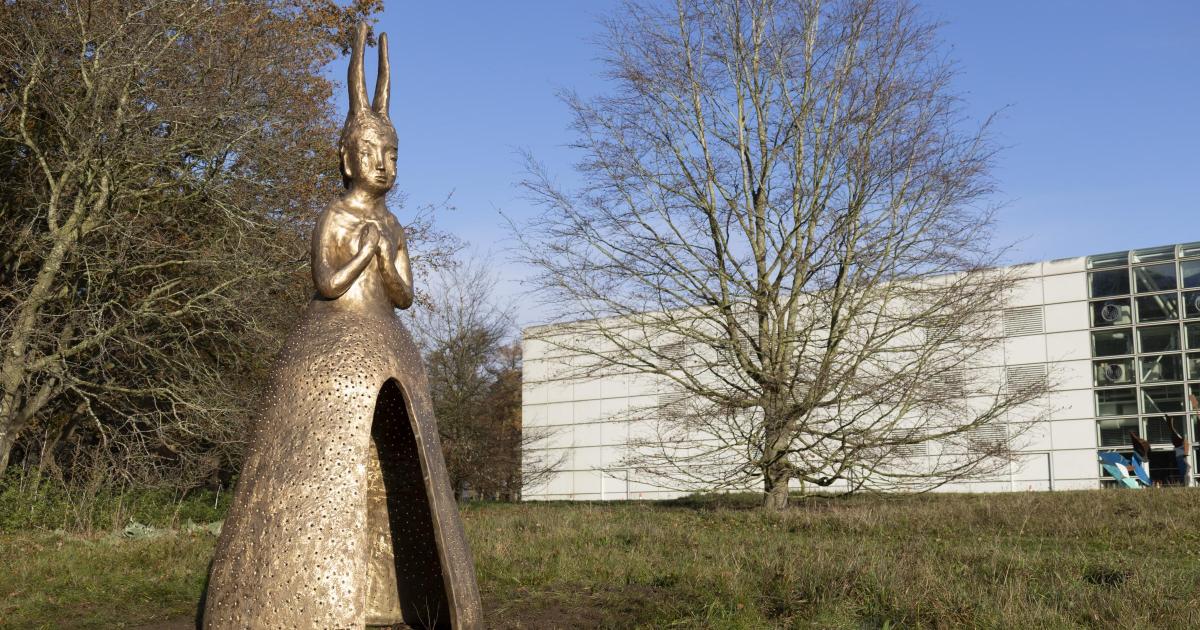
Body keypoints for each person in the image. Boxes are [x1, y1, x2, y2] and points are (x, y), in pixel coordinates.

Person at [203, 24, 483, 629]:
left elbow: (405, 295)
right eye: (373, 154)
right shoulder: (334, 216)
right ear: (347, 158)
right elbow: (327, 283)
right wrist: (364, 252)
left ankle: (431, 603)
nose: (384, 166)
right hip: (331, 347)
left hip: (387, 342)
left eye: (393, 156)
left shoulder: (395, 226)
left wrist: (385, 254)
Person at [1169, 418, 1191, 487]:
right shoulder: (1180, 445)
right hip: (1180, 453)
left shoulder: (1181, 443)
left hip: (1180, 453)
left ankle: (1184, 483)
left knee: (1184, 471)